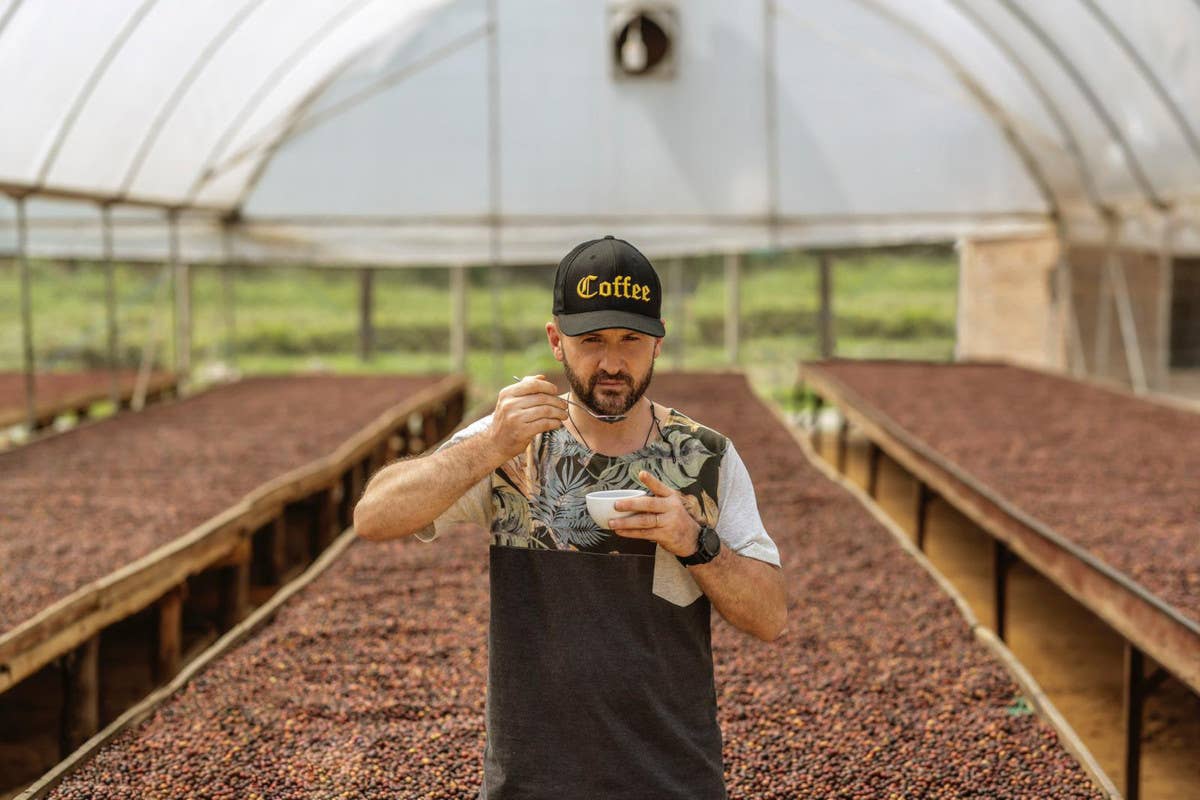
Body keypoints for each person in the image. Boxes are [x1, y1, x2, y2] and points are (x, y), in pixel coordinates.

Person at [354, 235, 787, 800]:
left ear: (659, 343)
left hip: (672, 782)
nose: (611, 362)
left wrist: (694, 541)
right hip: (532, 784)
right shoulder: (513, 445)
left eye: (631, 339)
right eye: (591, 341)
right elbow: (373, 516)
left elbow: (770, 617)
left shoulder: (706, 458)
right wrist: (487, 445)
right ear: (557, 342)